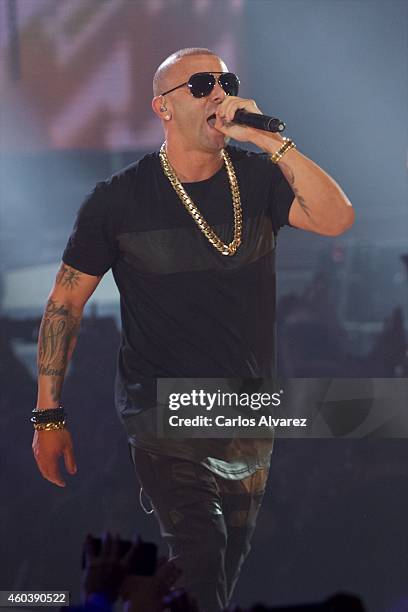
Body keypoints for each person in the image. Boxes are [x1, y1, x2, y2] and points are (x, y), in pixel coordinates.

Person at [32, 48, 355, 612]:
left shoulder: (256, 180)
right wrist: (49, 413)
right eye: (202, 83)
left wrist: (269, 140)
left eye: (225, 81)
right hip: (164, 417)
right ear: (163, 106)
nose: (218, 93)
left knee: (215, 583)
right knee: (203, 564)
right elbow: (64, 305)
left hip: (245, 417)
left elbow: (336, 218)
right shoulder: (118, 201)